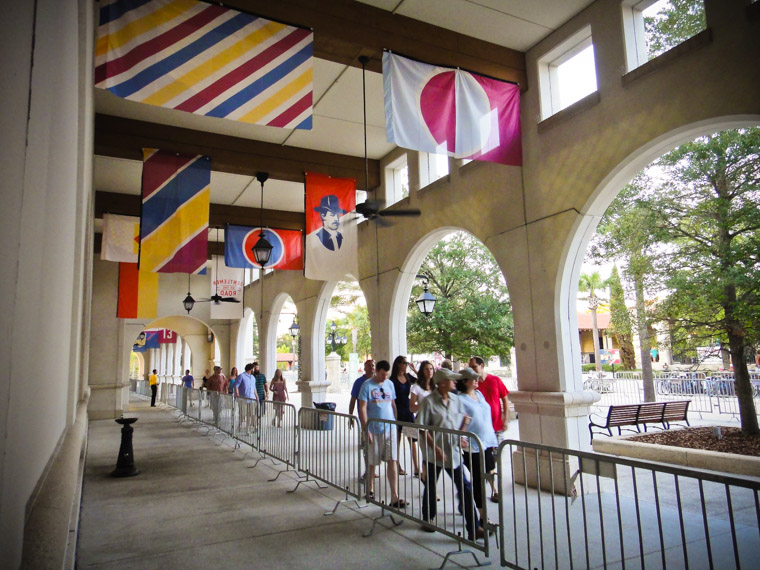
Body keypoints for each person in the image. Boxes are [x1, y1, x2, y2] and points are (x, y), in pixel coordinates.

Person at [416, 367, 483, 541]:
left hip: (453, 453)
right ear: (442, 383)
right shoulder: (429, 402)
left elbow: (462, 420)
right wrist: (435, 448)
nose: (455, 383)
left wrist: (462, 434)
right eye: (451, 380)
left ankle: (474, 527)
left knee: (465, 487)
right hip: (434, 454)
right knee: (430, 486)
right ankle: (428, 518)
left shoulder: (456, 400)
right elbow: (422, 428)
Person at [358, 360, 405, 508]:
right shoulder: (367, 385)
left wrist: (396, 423)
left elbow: (392, 404)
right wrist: (366, 430)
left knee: (392, 460)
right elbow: (362, 408)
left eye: (387, 374)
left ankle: (395, 495)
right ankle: (370, 488)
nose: (385, 377)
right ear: (376, 371)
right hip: (374, 428)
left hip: (390, 427)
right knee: (373, 461)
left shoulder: (389, 384)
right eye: (382, 374)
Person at [456, 367, 498, 524]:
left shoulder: (479, 395)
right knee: (479, 480)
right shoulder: (460, 400)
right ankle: (482, 516)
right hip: (473, 446)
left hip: (487, 442)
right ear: (465, 381)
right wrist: (462, 433)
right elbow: (459, 422)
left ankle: (466, 500)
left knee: (485, 475)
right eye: (473, 378)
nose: (477, 380)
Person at [469, 355, 509, 503]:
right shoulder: (474, 386)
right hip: (482, 431)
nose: (473, 370)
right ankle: (494, 489)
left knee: (495, 458)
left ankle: (489, 480)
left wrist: (506, 418)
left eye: (474, 367)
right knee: (488, 460)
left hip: (497, 427)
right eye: (471, 368)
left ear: (482, 366)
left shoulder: (495, 380)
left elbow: (504, 398)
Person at [390, 355, 417, 476]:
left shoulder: (407, 377)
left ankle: (416, 467)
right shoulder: (392, 380)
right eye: (404, 363)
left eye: (406, 363)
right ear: (398, 364)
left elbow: (419, 380)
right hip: (397, 410)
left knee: (412, 439)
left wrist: (414, 369)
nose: (406, 365)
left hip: (407, 410)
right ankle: (397, 465)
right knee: (397, 440)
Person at [348, 359, 375, 480]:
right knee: (366, 446)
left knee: (376, 447)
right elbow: (353, 400)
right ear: (364, 368)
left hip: (378, 420)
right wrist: (350, 416)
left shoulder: (378, 381)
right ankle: (368, 470)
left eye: (373, 365)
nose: (371, 367)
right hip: (365, 421)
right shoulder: (359, 382)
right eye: (368, 366)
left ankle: (372, 469)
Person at [409, 360, 434, 479]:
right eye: (426, 369)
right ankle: (426, 478)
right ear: (422, 371)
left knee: (434, 452)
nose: (429, 372)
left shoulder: (436, 385)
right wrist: (424, 405)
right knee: (427, 452)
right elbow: (411, 407)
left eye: (431, 369)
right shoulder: (416, 387)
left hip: (435, 421)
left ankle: (428, 479)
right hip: (423, 421)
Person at [234, 363, 258, 432]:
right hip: (243, 398)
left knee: (250, 414)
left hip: (252, 398)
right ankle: (239, 426)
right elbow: (236, 386)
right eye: (253, 368)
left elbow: (254, 388)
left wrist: (256, 396)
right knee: (243, 414)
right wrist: (237, 395)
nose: (254, 370)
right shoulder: (241, 376)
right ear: (250, 369)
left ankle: (247, 429)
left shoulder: (253, 377)